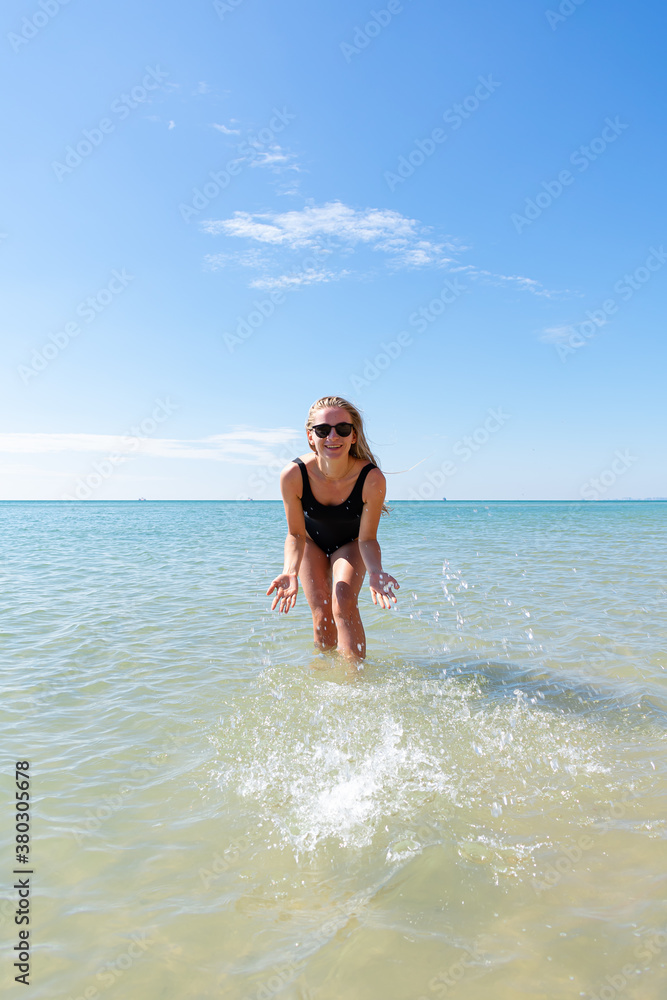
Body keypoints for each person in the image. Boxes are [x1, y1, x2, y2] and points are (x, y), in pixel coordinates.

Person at [266, 396, 399, 661]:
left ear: (353, 436)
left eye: (343, 429)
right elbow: (295, 534)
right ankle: (325, 678)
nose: (332, 436)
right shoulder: (293, 475)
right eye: (323, 430)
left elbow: (368, 539)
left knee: (343, 602)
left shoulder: (371, 478)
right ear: (310, 437)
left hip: (351, 543)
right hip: (310, 542)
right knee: (321, 612)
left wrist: (376, 571)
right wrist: (289, 571)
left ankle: (355, 682)